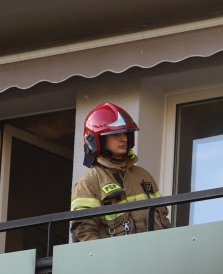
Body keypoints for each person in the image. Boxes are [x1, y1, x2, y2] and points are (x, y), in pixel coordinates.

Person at [70, 102, 170, 242]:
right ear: (97, 139)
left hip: (154, 255)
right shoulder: (89, 182)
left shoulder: (143, 176)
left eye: (125, 133)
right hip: (115, 259)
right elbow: (84, 229)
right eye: (116, 134)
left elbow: (164, 219)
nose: (123, 138)